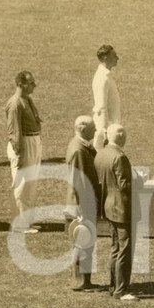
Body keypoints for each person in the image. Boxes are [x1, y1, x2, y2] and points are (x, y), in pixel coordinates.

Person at [95, 123, 136, 301]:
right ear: (120, 136)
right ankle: (121, 289)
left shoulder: (101, 153)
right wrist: (138, 180)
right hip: (121, 208)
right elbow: (124, 186)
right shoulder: (120, 157)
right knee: (124, 248)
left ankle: (113, 286)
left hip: (108, 205)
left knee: (115, 247)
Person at [65, 115, 101, 291]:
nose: (95, 130)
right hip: (81, 205)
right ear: (82, 129)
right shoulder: (79, 150)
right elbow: (78, 182)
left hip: (82, 203)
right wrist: (82, 208)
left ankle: (84, 280)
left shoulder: (81, 146)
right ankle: (80, 281)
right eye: (93, 128)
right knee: (82, 243)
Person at [5, 71, 43, 234]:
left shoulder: (27, 99)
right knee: (21, 184)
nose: (34, 85)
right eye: (31, 83)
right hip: (24, 144)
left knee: (30, 184)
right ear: (21, 84)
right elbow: (14, 131)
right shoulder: (15, 104)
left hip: (33, 141)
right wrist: (19, 153)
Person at [91, 45, 121, 153]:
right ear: (105, 58)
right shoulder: (102, 78)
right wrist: (104, 130)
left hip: (111, 124)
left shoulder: (106, 75)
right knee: (101, 155)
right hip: (105, 127)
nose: (117, 58)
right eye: (114, 55)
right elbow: (101, 106)